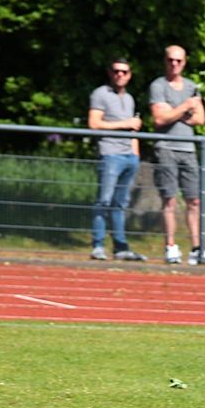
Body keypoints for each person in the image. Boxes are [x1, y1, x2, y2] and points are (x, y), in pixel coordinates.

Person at [149, 44, 205, 265]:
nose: (174, 64)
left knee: (194, 200)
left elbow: (200, 118)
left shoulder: (191, 86)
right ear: (165, 61)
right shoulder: (158, 86)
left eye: (178, 60)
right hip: (166, 148)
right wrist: (186, 106)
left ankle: (197, 248)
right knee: (169, 199)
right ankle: (170, 246)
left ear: (184, 62)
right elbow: (160, 119)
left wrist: (174, 111)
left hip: (188, 149)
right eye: (171, 60)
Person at [88, 58, 147, 262]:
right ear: (109, 72)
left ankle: (120, 247)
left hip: (129, 156)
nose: (119, 75)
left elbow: (132, 129)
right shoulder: (100, 94)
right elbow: (94, 123)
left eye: (124, 72)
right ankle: (98, 245)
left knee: (120, 204)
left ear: (129, 75)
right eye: (116, 71)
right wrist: (125, 123)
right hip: (110, 154)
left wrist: (135, 154)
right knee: (104, 200)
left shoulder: (129, 98)